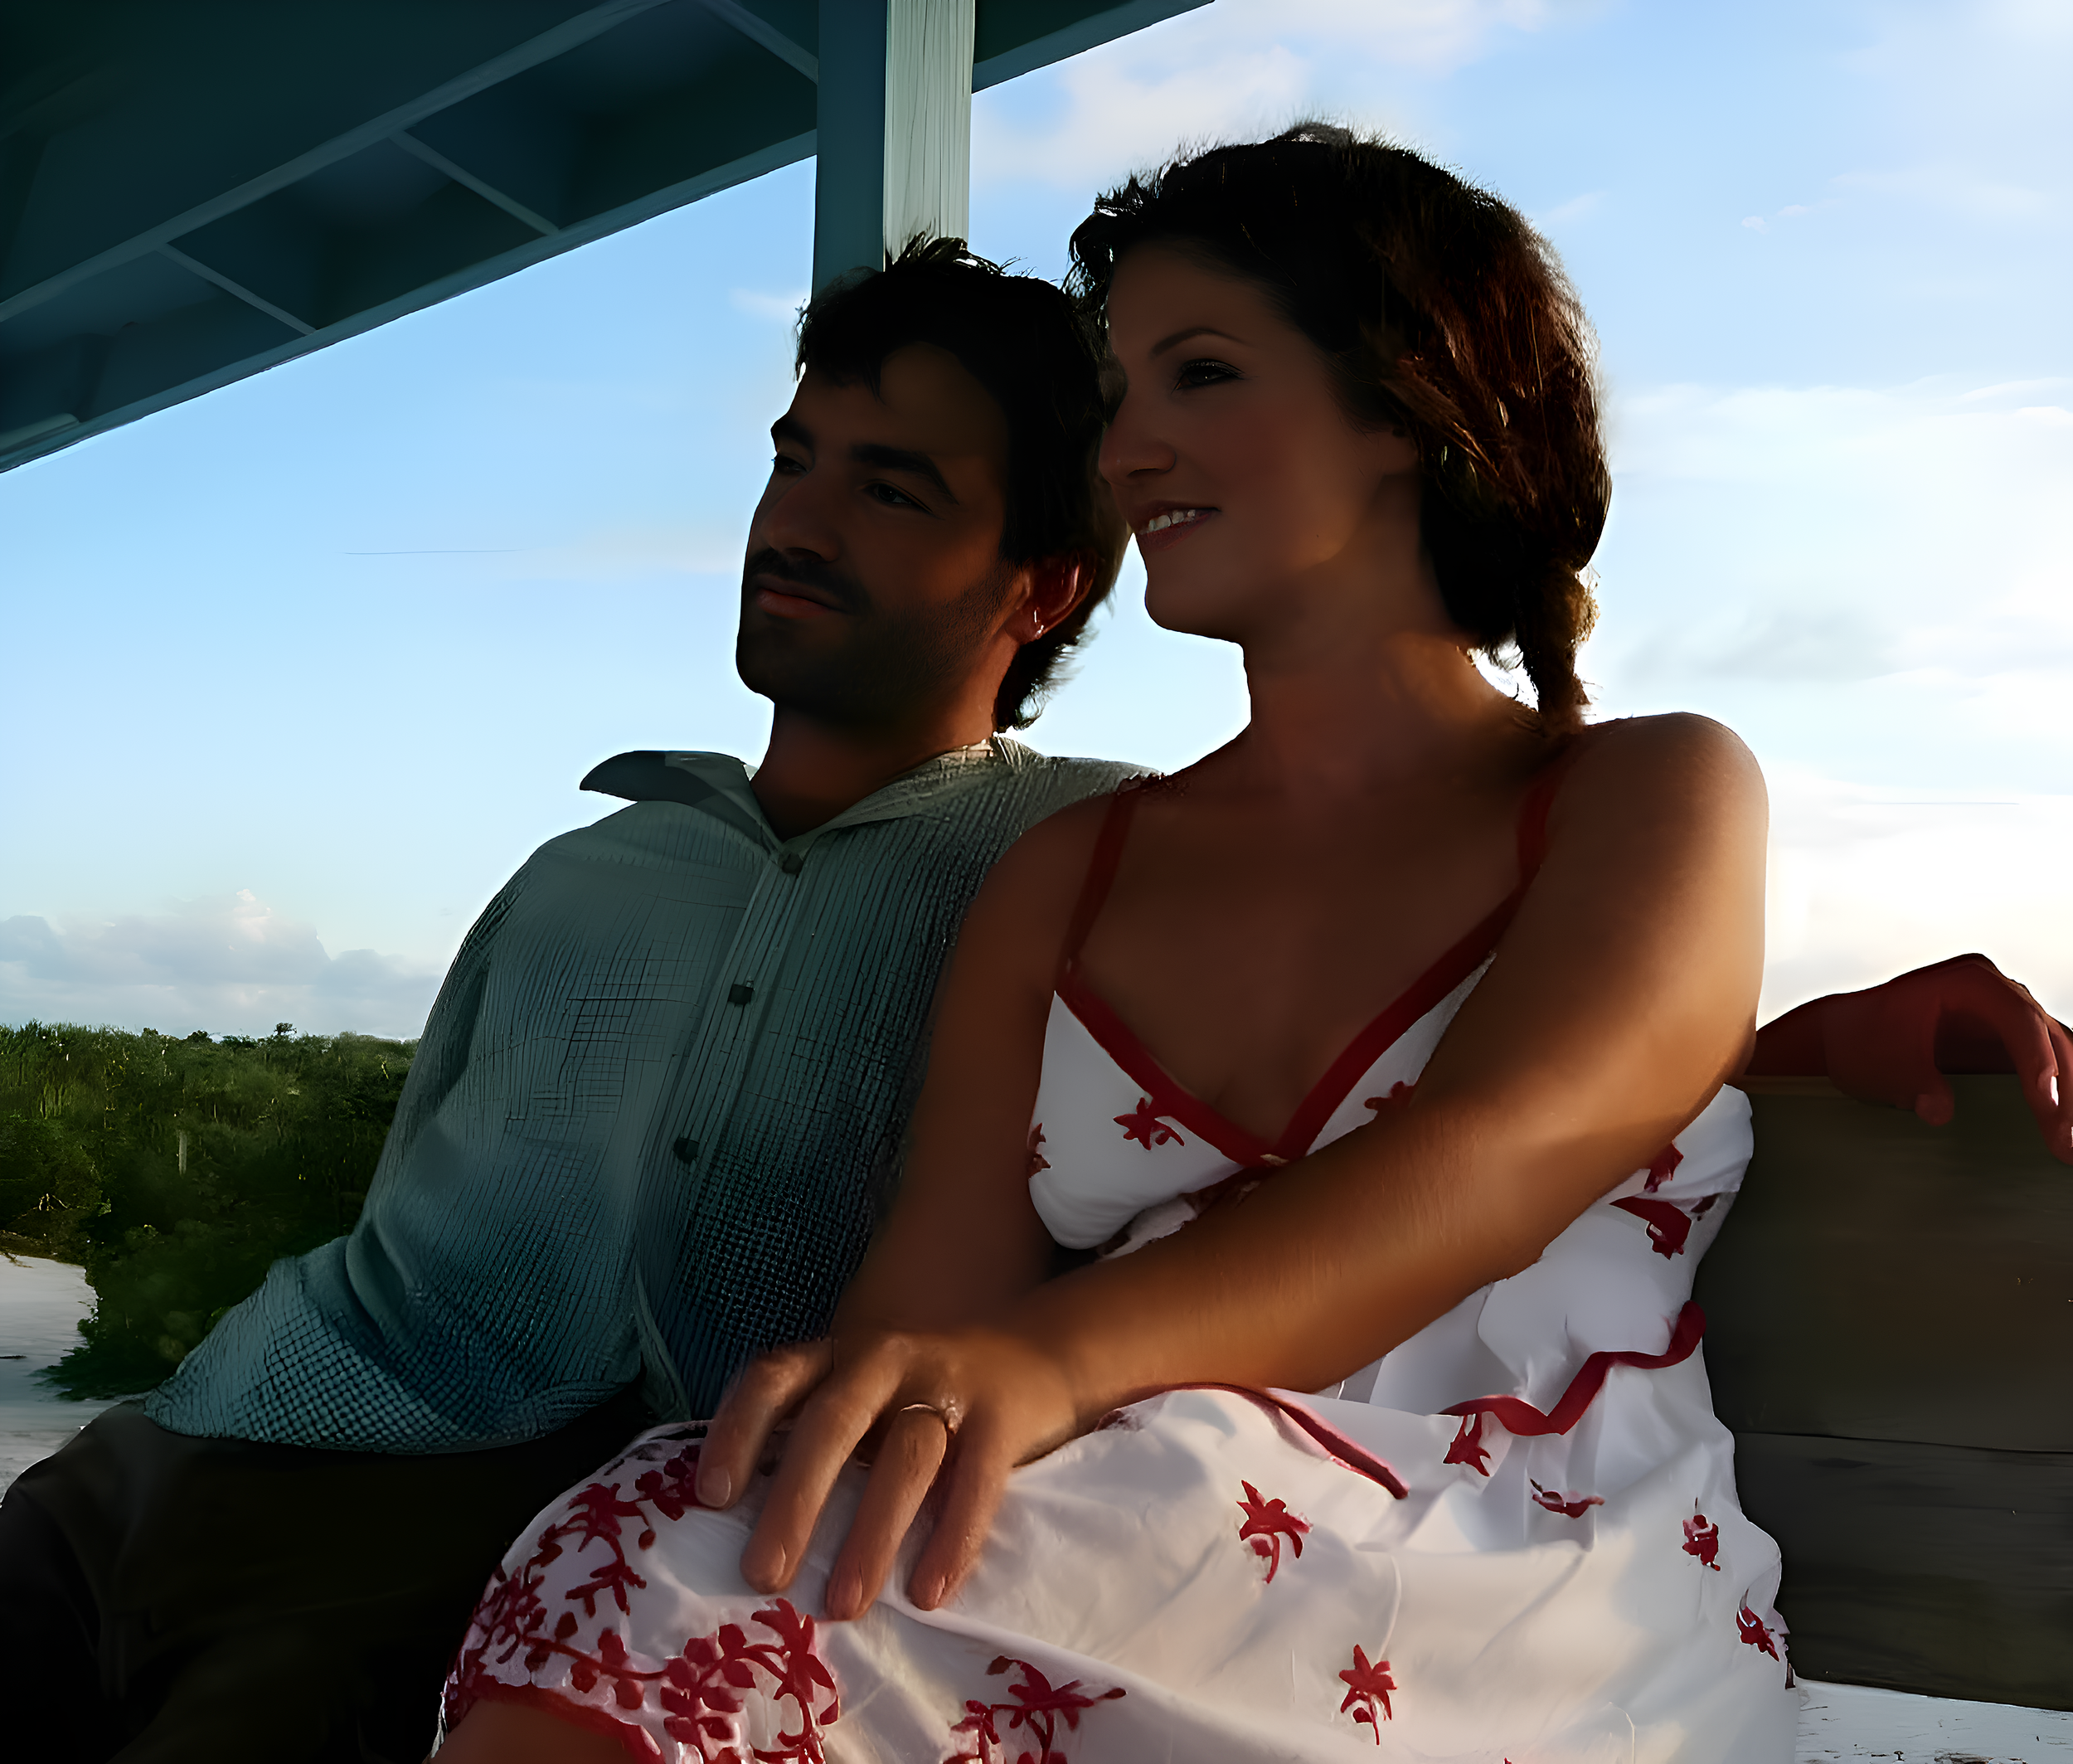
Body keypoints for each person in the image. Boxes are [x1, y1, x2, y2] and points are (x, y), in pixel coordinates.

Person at [2, 234, 2061, 1764]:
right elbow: (963, 1269)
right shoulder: (639, 871)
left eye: (887, 484)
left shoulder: (1071, 839)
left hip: (1405, 1534)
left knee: (633, 1552)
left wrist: (1767, 1046)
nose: (793, 510)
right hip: (238, 1423)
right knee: (650, 1537)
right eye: (793, 457)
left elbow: (1511, 1098)